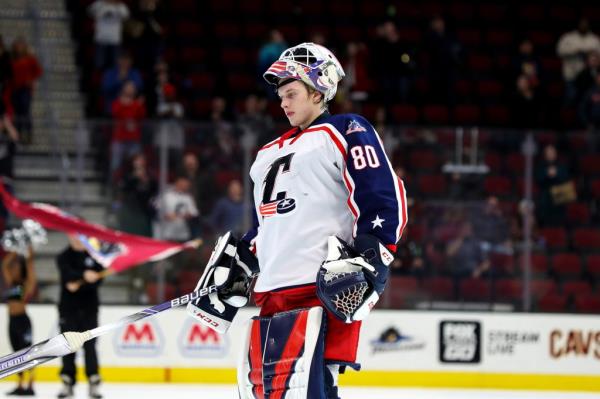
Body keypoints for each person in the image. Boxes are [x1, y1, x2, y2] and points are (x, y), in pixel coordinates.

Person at [188, 43, 407, 398]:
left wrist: (374, 252)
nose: (283, 103)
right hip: (273, 289)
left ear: (319, 90)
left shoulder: (346, 129)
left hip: (322, 286)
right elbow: (268, 223)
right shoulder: (265, 154)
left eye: (291, 93)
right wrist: (242, 259)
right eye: (280, 96)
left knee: (313, 387)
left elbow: (381, 194)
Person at [56, 235, 104, 399]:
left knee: (90, 346)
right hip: (68, 310)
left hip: (90, 309)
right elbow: (68, 279)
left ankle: (93, 382)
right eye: (72, 234)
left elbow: (98, 279)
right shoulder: (63, 256)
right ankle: (67, 382)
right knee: (67, 346)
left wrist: (85, 280)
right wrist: (85, 275)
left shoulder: (95, 256)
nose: (76, 238)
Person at [2, 248, 36, 396]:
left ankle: (31, 384)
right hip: (12, 321)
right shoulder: (11, 283)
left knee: (27, 353)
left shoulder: (25, 285)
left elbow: (31, 271)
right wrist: (15, 252)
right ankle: (20, 385)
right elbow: (4, 265)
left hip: (23, 321)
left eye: (16, 267)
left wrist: (28, 256)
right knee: (16, 354)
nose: (13, 269)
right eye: (13, 267)